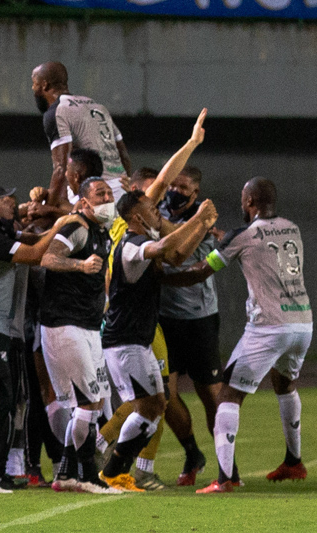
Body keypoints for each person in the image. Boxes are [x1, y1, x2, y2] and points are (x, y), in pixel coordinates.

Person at [180, 177, 313, 494]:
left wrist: (162, 278)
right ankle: (293, 461)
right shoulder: (290, 228)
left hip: (269, 327)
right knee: (284, 383)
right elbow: (263, 250)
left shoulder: (244, 235)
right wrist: (229, 240)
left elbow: (202, 270)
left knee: (228, 395)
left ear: (250, 201)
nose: (241, 205)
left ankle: (225, 479)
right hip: (302, 323)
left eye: (243, 199)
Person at [0, 181, 82, 495]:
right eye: (4, 200)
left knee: (4, 400)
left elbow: (33, 238)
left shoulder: (0, 232)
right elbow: (36, 253)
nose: (12, 201)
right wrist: (61, 224)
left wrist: (56, 225)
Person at [99, 190, 217, 492]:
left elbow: (177, 255)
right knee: (146, 406)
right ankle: (106, 462)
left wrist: (202, 226)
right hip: (125, 340)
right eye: (153, 209)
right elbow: (166, 244)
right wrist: (196, 220)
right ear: (137, 217)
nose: (158, 214)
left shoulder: (142, 243)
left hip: (137, 339)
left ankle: (114, 469)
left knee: (155, 405)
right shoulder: (130, 245)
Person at [39, 177, 119, 494]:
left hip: (87, 325)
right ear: (84, 202)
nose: (108, 198)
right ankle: (85, 475)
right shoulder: (77, 227)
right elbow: (47, 257)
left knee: (94, 402)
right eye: (100, 194)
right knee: (87, 402)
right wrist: (79, 265)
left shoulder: (102, 232)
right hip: (64, 323)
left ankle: (67, 473)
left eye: (110, 193)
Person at [159, 165, 229, 486]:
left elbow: (177, 252)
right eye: (172, 184)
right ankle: (192, 452)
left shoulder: (205, 221)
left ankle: (227, 467)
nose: (175, 190)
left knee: (211, 397)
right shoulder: (159, 211)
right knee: (165, 396)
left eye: (183, 187)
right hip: (165, 320)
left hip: (199, 319)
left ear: (195, 193)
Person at [31, 61, 132, 205]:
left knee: (44, 213)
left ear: (45, 85)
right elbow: (124, 156)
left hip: (95, 193)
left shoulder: (56, 111)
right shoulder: (97, 106)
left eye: (34, 83)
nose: (33, 88)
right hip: (121, 190)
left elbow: (61, 168)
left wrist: (47, 209)